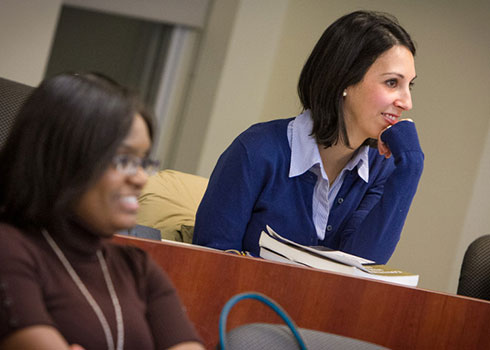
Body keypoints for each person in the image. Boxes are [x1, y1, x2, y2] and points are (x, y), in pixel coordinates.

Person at [193, 10, 424, 264]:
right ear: (345, 79)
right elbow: (209, 267)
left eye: (409, 85)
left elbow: (362, 270)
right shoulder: (255, 151)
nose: (407, 102)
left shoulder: (381, 167)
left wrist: (410, 169)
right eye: (392, 83)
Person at [0, 73, 204, 350]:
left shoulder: (138, 268)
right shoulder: (9, 249)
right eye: (123, 160)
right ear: (62, 159)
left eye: (143, 162)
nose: (141, 178)